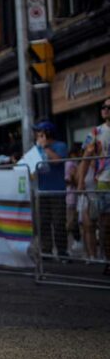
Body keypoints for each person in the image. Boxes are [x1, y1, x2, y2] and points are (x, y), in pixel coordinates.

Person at [78, 98, 110, 273]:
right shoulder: (96, 132)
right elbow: (85, 159)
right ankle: (108, 259)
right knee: (106, 223)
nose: (105, 110)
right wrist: (81, 181)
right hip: (104, 183)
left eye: (108, 107)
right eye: (103, 107)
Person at [32, 120, 68, 258]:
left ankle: (62, 251)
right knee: (43, 222)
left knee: (59, 222)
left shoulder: (60, 146)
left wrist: (46, 147)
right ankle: (46, 250)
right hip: (41, 191)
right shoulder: (36, 148)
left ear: (46, 133)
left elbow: (58, 160)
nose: (37, 135)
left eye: (39, 133)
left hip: (57, 191)